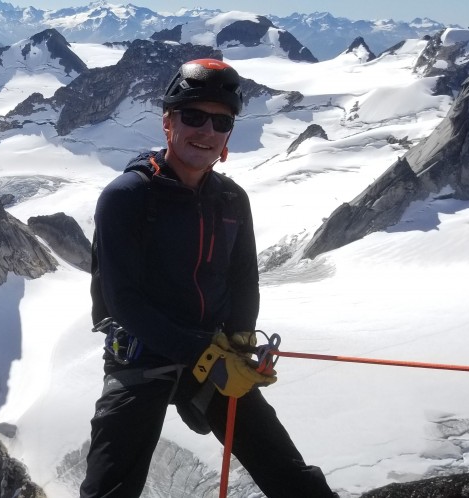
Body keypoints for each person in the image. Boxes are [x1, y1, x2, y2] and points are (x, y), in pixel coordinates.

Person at [80, 59, 336, 498]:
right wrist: (207, 355)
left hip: (213, 354)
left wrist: (238, 342)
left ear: (228, 136)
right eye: (193, 116)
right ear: (167, 122)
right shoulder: (127, 197)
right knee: (109, 490)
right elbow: (122, 300)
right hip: (143, 359)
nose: (207, 131)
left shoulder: (232, 199)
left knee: (290, 476)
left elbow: (243, 281)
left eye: (221, 122)